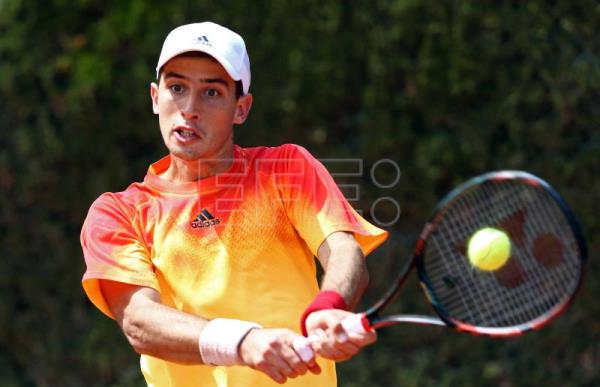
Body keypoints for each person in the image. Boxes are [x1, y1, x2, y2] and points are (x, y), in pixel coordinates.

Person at [80, 21, 387, 387]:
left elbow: (343, 250)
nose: (189, 109)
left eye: (211, 93)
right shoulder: (118, 212)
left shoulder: (286, 169)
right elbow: (139, 322)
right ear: (154, 97)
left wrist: (330, 305)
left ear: (241, 109)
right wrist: (243, 342)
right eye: (176, 88)